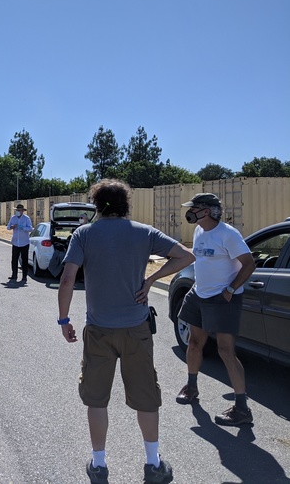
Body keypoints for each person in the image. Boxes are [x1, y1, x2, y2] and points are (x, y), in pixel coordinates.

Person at [57, 179, 194, 484]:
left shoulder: (83, 234)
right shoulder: (143, 232)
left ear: (97, 206)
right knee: (146, 397)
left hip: (99, 330)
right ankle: (153, 463)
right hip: (136, 329)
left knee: (96, 399)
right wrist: (151, 280)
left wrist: (63, 320)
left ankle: (100, 464)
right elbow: (186, 256)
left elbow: (67, 280)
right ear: (126, 204)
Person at [175, 193, 256, 426]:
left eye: (195, 208)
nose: (190, 212)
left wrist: (230, 289)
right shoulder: (199, 230)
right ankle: (191, 387)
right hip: (199, 294)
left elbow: (249, 264)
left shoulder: (228, 235)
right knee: (193, 342)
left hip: (222, 298)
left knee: (225, 351)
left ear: (208, 211)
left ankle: (242, 409)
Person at [6, 203, 33, 283]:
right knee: (14, 259)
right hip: (15, 242)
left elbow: (30, 228)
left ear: (22, 211)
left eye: (19, 210)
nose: (18, 211)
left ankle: (24, 277)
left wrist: (22, 227)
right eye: (17, 210)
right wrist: (12, 227)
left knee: (24, 260)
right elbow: (8, 227)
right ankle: (14, 275)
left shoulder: (26, 218)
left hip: (24, 242)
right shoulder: (13, 218)